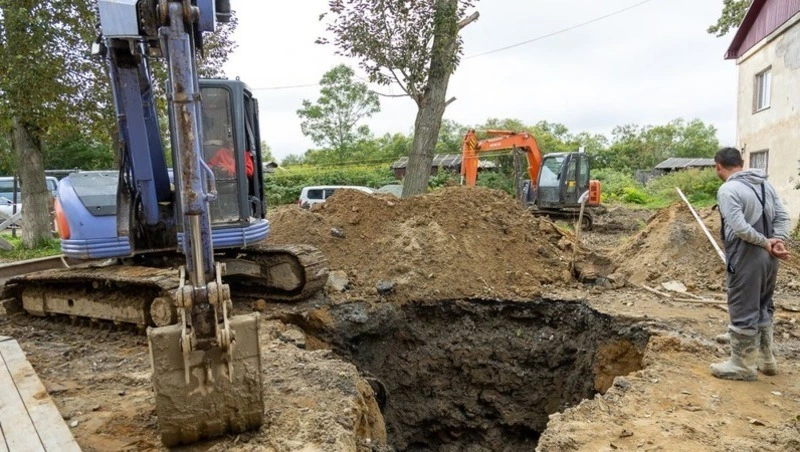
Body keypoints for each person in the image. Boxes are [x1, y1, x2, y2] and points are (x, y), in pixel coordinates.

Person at [710, 147, 790, 381]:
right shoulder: (765, 185)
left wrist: (764, 242)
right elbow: (783, 217)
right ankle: (767, 360)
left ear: (718, 166)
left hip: (747, 255)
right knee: (763, 305)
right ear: (742, 162)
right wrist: (777, 241)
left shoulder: (728, 189)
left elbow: (739, 227)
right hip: (770, 258)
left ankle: (742, 365)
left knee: (743, 307)